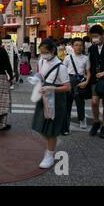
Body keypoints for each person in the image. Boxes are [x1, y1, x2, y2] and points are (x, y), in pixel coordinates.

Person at [32, 39, 71, 169]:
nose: (43, 55)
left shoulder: (61, 67)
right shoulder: (42, 60)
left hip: (56, 100)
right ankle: (52, 144)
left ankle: (49, 155)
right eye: (41, 52)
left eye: (45, 52)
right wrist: (37, 77)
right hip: (44, 97)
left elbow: (68, 87)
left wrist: (52, 88)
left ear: (53, 51)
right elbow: (43, 75)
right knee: (39, 125)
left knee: (51, 130)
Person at [62, 37, 91, 133]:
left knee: (80, 103)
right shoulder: (68, 57)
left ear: (83, 47)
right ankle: (66, 123)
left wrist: (86, 81)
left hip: (80, 82)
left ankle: (82, 119)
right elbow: (63, 71)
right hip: (69, 80)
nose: (78, 47)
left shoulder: (85, 58)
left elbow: (88, 72)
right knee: (67, 103)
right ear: (72, 46)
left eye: (80, 45)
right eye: (76, 45)